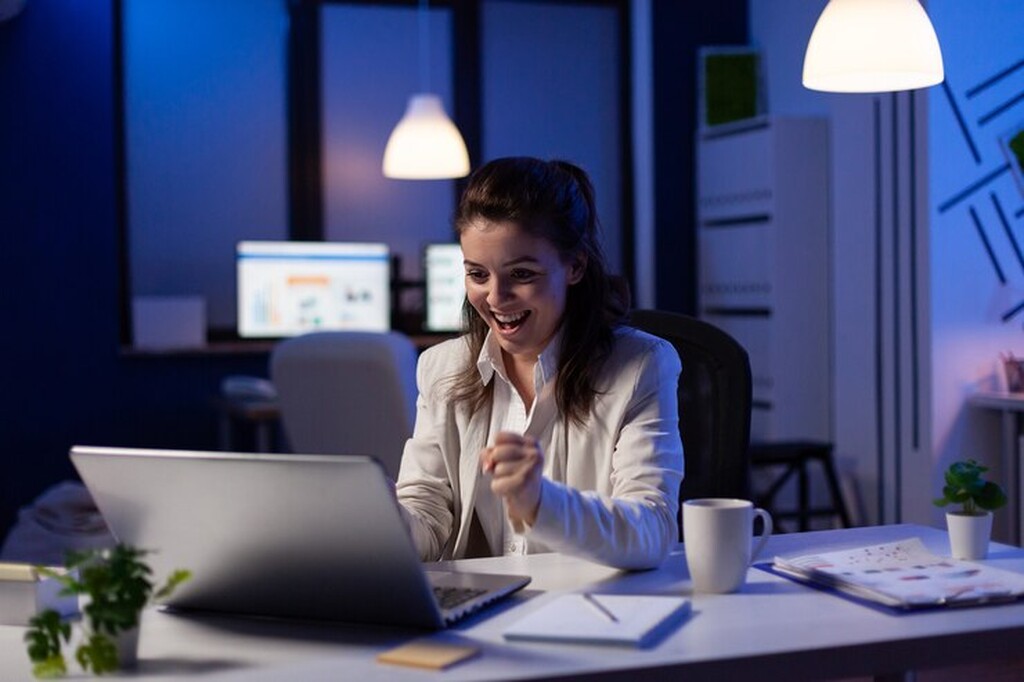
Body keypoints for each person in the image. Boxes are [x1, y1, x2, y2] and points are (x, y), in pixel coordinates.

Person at [396, 157, 683, 570]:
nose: (496, 297)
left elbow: (651, 531)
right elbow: (427, 519)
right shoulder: (441, 368)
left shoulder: (642, 366)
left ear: (575, 266)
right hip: (483, 615)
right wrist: (389, 520)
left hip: (593, 611)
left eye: (522, 274)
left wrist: (540, 502)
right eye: (478, 274)